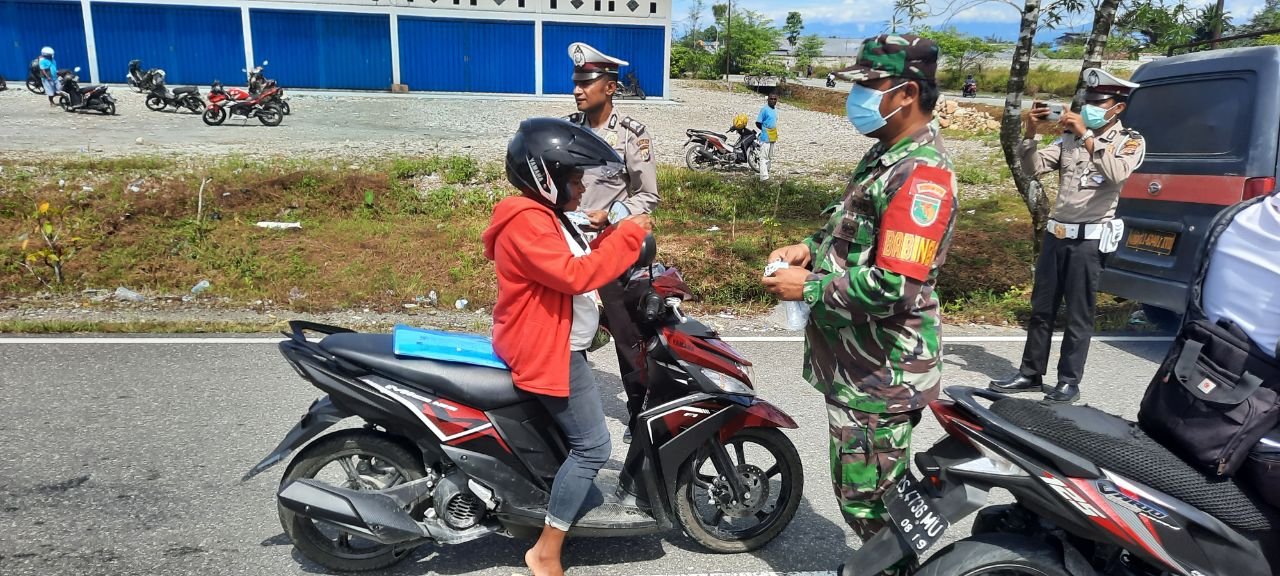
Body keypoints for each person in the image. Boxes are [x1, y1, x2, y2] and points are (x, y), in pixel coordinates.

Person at [761, 34, 956, 573]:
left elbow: (897, 285)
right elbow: (852, 229)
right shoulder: (887, 154)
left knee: (871, 504)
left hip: (881, 371)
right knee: (866, 493)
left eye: (868, 85)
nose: (858, 96)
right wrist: (808, 246)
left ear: (906, 92)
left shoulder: (923, 175)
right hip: (858, 362)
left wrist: (811, 288)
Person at [483, 117, 653, 576]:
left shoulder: (544, 216)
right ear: (546, 177)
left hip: (553, 337)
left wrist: (612, 233)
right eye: (574, 178)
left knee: (569, 438)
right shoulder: (526, 223)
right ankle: (546, 548)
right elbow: (575, 275)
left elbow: (576, 254)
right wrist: (632, 234)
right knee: (595, 448)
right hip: (547, 347)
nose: (581, 188)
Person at [990, 68, 1145, 404]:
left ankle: (1069, 381)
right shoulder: (1069, 139)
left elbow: (1117, 173)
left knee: (1078, 313)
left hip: (1089, 241)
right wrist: (1031, 132)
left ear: (1116, 107)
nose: (1089, 107)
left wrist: (1087, 137)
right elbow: (1033, 168)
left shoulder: (1129, 141)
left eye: (1097, 102)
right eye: (1087, 101)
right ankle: (1030, 373)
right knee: (1041, 308)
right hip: (1056, 235)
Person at [564, 42, 660, 442]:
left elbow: (647, 195)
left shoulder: (631, 135)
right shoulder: (568, 129)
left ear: (610, 88)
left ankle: (641, 409)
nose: (578, 90)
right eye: (576, 82)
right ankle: (571, 412)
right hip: (570, 249)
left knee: (626, 335)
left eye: (588, 82)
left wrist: (611, 215)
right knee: (567, 334)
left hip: (612, 251)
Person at [756, 93, 779, 180]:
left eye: (774, 99)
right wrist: (764, 129)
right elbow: (758, 122)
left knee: (770, 156)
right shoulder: (764, 109)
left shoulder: (775, 110)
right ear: (768, 99)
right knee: (764, 157)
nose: (773, 101)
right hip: (765, 136)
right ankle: (763, 177)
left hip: (773, 135)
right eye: (771, 99)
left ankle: (767, 172)